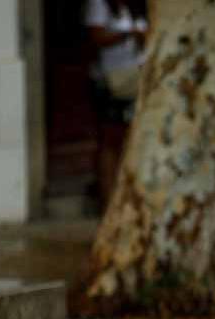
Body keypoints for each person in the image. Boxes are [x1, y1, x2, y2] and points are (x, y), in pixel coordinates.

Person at [85, 0, 148, 207]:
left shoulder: (135, 7)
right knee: (111, 139)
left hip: (137, 77)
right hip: (113, 79)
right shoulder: (99, 4)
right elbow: (96, 36)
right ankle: (109, 199)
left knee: (133, 138)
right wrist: (128, 35)